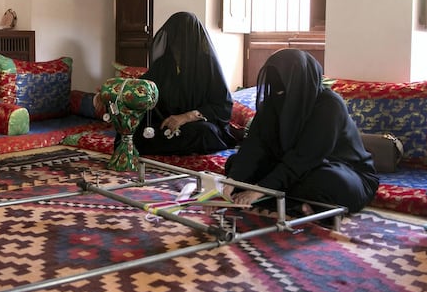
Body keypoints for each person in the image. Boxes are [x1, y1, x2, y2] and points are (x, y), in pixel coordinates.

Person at [222, 48, 379, 214]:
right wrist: (234, 181)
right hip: (293, 167)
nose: (278, 93)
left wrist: (259, 190)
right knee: (235, 164)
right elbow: (254, 145)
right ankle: (298, 204)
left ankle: (280, 198)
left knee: (329, 181)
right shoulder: (274, 102)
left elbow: (305, 157)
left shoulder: (329, 105)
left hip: (341, 170)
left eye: (284, 87)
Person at [129, 11, 236, 155]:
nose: (176, 44)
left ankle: (164, 145)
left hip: (195, 124)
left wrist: (186, 117)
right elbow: (144, 87)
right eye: (173, 38)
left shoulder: (207, 65)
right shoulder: (164, 64)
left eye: (181, 39)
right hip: (165, 122)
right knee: (133, 129)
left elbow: (223, 106)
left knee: (204, 132)